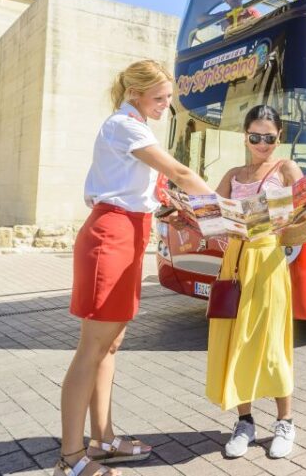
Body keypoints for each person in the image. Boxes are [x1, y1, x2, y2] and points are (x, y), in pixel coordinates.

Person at [55, 60, 214, 476]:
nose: (166, 105)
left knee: (111, 344)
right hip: (111, 235)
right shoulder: (125, 125)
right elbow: (178, 172)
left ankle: (102, 439)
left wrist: (171, 212)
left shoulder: (135, 127)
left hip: (129, 233)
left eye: (168, 98)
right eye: (159, 98)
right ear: (134, 94)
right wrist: (226, 210)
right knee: (91, 349)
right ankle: (70, 459)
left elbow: (142, 192)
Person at [206, 105, 306, 460]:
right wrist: (187, 215)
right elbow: (212, 216)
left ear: (279, 138)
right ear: (245, 136)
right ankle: (244, 422)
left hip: (269, 260)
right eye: (255, 136)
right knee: (236, 341)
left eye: (269, 137)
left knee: (272, 343)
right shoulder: (232, 173)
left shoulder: (286, 168)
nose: (261, 143)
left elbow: (301, 216)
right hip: (235, 261)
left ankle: (286, 421)